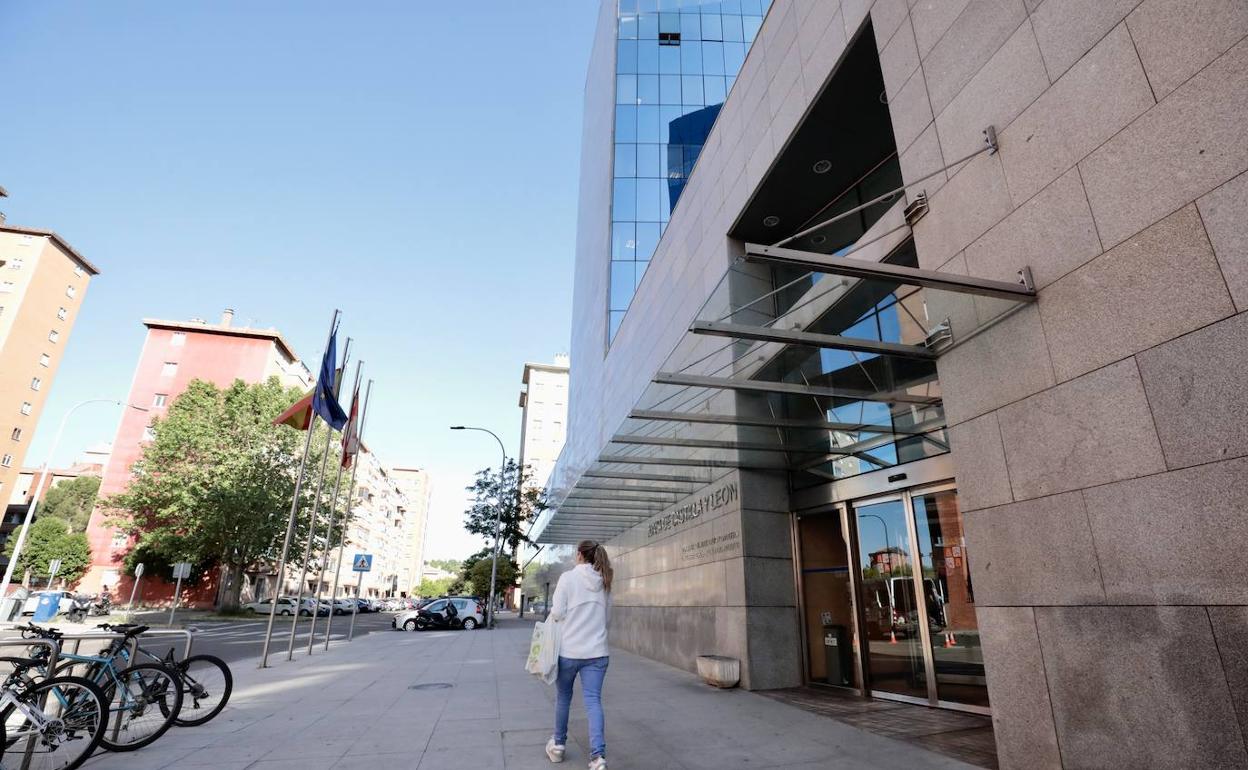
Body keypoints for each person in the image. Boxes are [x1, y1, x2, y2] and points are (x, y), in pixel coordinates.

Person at [545, 540, 612, 770]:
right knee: (593, 701)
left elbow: (557, 612)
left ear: (580, 555)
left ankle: (558, 746)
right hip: (597, 652)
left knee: (564, 697)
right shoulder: (605, 581)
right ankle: (597, 758)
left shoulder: (567, 578)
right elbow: (607, 619)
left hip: (569, 651)